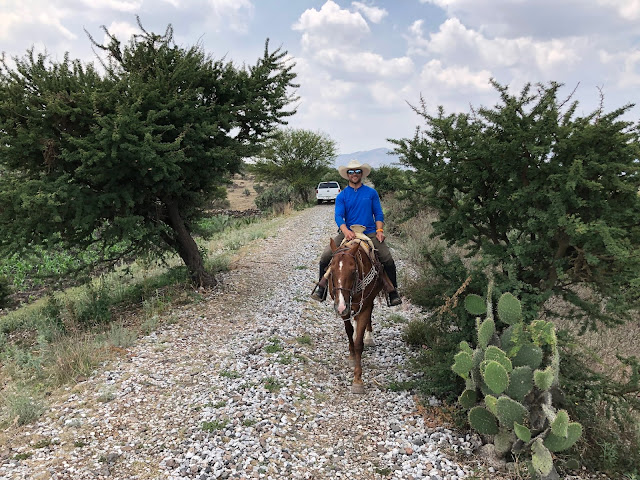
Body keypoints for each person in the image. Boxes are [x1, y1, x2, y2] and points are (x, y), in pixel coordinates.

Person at [311, 159, 402, 306]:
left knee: (387, 258)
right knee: (326, 256)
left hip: (370, 231)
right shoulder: (342, 196)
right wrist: (345, 230)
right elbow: (339, 216)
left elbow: (378, 213)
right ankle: (322, 289)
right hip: (349, 231)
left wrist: (379, 230)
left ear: (361, 174)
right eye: (351, 172)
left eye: (357, 171)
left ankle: (392, 292)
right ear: (347, 175)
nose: (354, 174)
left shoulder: (371, 193)